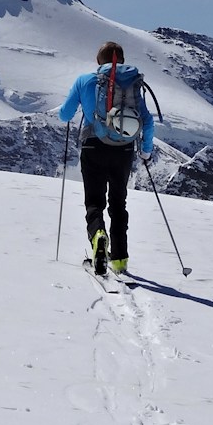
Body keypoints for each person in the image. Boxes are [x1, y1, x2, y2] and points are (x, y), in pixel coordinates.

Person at [58, 41, 156, 274]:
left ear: (98, 60)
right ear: (121, 60)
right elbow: (148, 121)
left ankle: (98, 237)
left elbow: (64, 114)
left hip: (93, 146)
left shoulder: (85, 80)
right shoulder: (132, 84)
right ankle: (120, 259)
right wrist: (145, 150)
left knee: (94, 201)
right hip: (123, 148)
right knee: (118, 203)